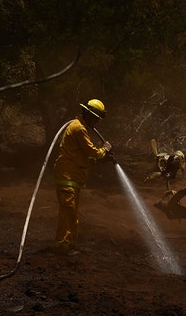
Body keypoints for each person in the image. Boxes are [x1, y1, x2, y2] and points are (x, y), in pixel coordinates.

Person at [52, 99, 112, 255]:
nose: (97, 123)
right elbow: (92, 151)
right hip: (67, 176)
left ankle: (69, 244)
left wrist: (99, 159)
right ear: (89, 115)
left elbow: (82, 154)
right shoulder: (78, 128)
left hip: (73, 177)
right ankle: (62, 246)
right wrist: (104, 150)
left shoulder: (80, 127)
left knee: (71, 212)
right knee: (68, 212)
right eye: (96, 119)